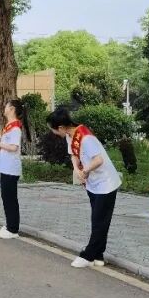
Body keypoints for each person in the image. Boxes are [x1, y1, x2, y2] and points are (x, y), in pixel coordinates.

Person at [47, 108, 123, 268]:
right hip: (93, 183)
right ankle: (99, 254)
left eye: (53, 129)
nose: (54, 133)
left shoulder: (86, 137)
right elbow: (74, 155)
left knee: (100, 220)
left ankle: (87, 255)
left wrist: (85, 170)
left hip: (106, 183)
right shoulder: (70, 136)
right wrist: (77, 169)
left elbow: (98, 160)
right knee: (97, 219)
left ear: (61, 127)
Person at [0, 99, 29, 239]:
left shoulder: (15, 128)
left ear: (12, 109)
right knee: (7, 198)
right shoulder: (9, 126)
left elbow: (14, 147)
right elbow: (7, 145)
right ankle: (9, 225)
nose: (4, 108)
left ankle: (12, 229)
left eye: (6, 106)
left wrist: (0, 145)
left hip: (10, 169)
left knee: (10, 199)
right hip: (5, 167)